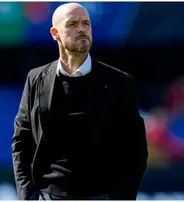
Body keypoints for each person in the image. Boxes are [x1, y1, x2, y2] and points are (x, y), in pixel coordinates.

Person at [11, 3, 148, 200]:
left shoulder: (118, 82)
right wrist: (28, 196)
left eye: (86, 23)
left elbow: (135, 149)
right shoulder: (36, 79)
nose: (82, 29)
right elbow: (22, 141)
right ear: (55, 33)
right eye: (72, 24)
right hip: (49, 196)